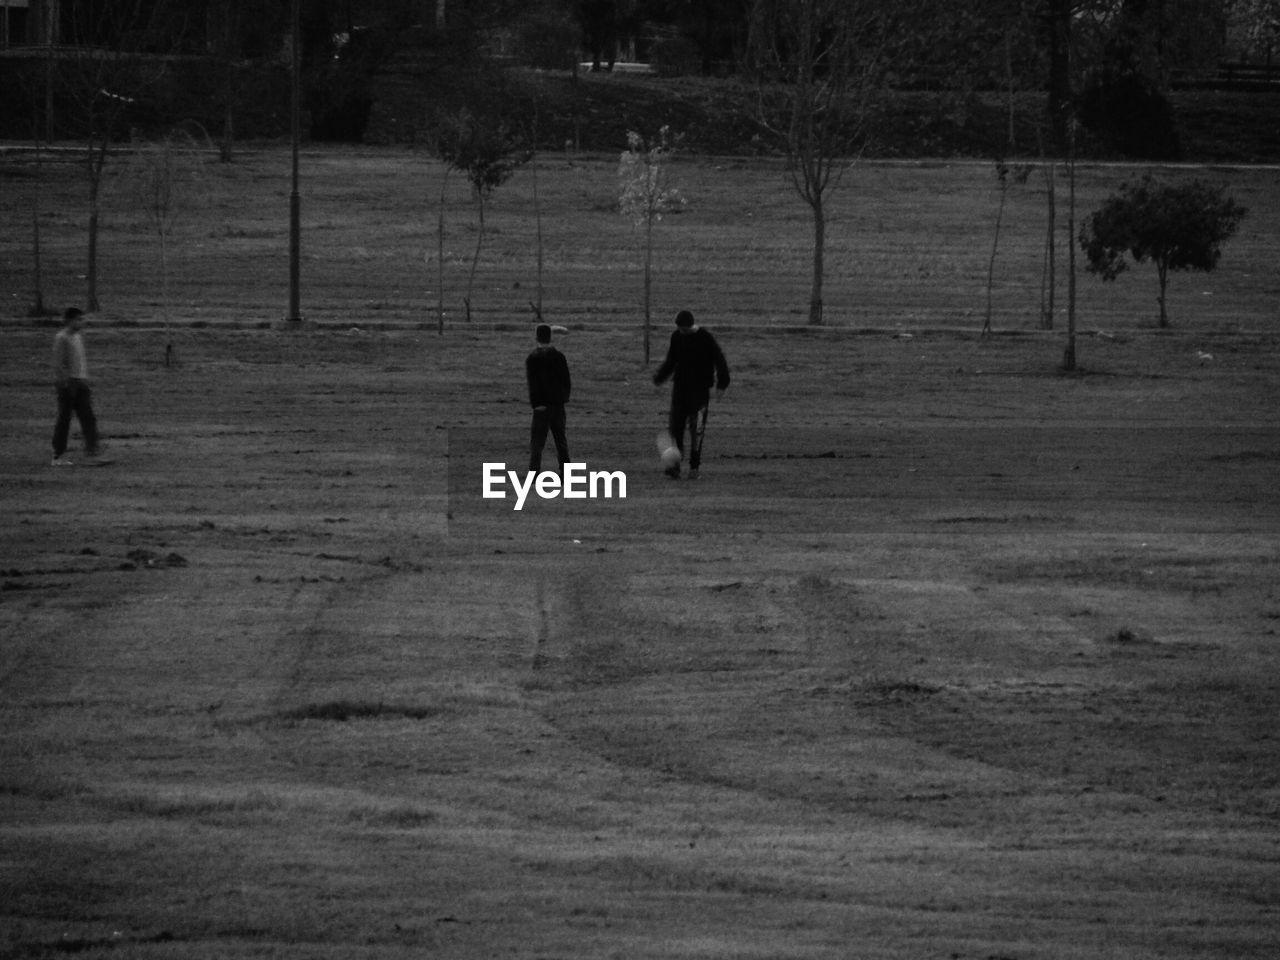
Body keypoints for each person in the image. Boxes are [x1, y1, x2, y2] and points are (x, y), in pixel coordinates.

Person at [652, 309, 729, 479]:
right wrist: (659, 378)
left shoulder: (705, 338)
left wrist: (722, 384)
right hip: (680, 390)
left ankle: (694, 468)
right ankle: (675, 467)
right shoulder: (676, 337)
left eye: (684, 329)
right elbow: (671, 361)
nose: (682, 332)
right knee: (676, 429)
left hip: (700, 392)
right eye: (679, 329)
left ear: (691, 326)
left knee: (697, 431)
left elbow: (720, 360)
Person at [51, 307, 104, 467]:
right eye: (79, 319)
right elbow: (59, 364)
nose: (82, 322)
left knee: (88, 417)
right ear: (70, 320)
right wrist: (66, 383)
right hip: (69, 384)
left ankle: (92, 452)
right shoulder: (62, 338)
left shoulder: (77, 337)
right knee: (64, 419)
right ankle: (58, 455)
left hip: (80, 382)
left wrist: (84, 379)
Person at [525, 323, 571, 474]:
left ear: (536, 337)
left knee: (537, 443)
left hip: (541, 406)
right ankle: (565, 473)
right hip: (558, 405)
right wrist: (562, 399)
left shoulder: (532, 358)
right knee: (561, 441)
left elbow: (533, 384)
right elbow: (566, 381)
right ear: (550, 338)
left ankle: (534, 473)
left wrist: (536, 403)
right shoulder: (559, 357)